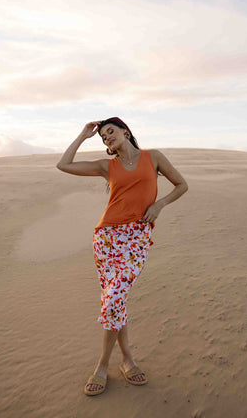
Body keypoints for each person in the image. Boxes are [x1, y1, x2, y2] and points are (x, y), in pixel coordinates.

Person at [56, 117, 188, 396]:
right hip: (106, 238)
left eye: (111, 132)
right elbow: (63, 165)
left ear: (125, 132)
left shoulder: (154, 157)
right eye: (103, 136)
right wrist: (83, 135)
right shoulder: (108, 166)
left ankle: (102, 365)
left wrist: (160, 205)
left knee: (115, 296)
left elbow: (181, 185)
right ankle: (127, 360)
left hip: (137, 237)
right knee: (116, 300)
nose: (107, 138)